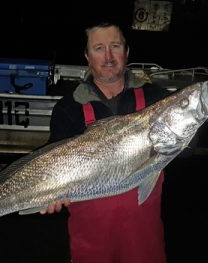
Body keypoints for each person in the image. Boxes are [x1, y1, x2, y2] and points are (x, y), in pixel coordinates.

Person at [41, 22, 171, 263]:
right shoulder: (68, 108)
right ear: (87, 57)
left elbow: (184, 150)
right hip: (92, 240)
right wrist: (52, 193)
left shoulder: (156, 99)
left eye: (115, 46)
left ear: (127, 52)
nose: (108, 56)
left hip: (144, 238)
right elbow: (52, 162)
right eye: (99, 48)